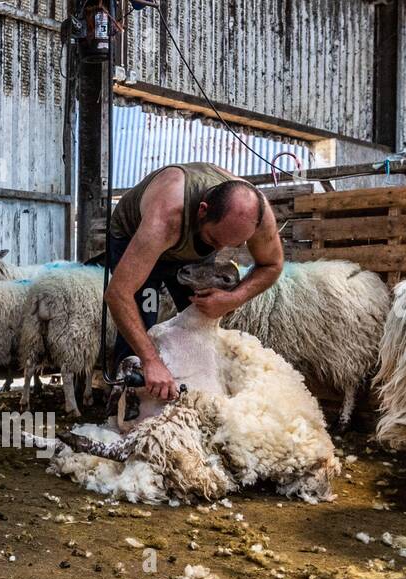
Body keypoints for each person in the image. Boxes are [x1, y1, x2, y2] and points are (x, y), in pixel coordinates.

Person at [105, 161, 284, 400]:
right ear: (202, 210)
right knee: (142, 317)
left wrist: (233, 298)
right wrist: (150, 360)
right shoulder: (168, 215)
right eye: (215, 239)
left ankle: (190, 392)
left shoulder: (257, 215)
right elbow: (118, 294)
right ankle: (125, 395)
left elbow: (272, 264)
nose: (220, 248)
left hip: (190, 241)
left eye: (233, 244)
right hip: (135, 237)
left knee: (198, 316)